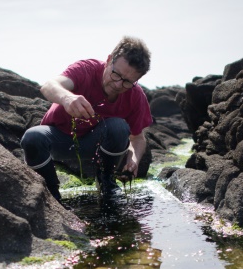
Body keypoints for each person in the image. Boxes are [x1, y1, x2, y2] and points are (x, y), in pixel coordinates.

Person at [20, 36, 153, 201]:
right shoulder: (86, 69)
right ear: (109, 60)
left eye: (127, 81)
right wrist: (67, 98)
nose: (118, 85)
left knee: (118, 127)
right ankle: (52, 194)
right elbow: (49, 86)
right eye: (116, 74)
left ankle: (106, 183)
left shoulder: (135, 95)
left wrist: (134, 159)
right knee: (32, 137)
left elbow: (138, 138)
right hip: (59, 140)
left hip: (95, 147)